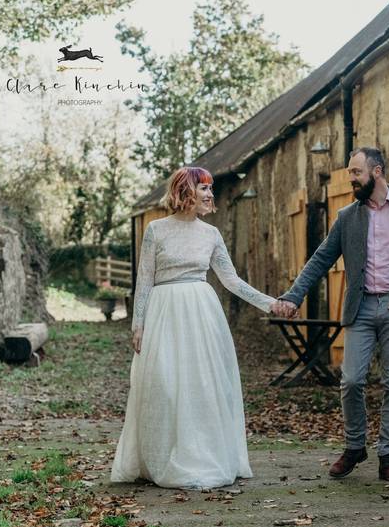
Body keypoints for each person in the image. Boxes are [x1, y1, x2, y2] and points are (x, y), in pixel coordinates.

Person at [273, 147, 389, 482]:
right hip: (361, 307)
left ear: (377, 171)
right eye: (350, 173)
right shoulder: (347, 218)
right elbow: (319, 261)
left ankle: (388, 456)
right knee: (351, 380)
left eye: (356, 172)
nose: (351, 178)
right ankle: (355, 447)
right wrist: (294, 296)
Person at [111, 166, 287, 489]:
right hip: (164, 314)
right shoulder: (156, 230)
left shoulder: (211, 235)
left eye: (211, 189)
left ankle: (201, 455)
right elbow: (145, 280)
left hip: (202, 315)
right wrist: (138, 324)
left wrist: (269, 303)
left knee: (201, 385)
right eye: (204, 188)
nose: (210, 195)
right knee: (163, 384)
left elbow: (231, 280)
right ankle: (162, 456)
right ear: (185, 191)